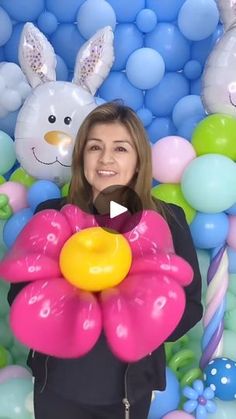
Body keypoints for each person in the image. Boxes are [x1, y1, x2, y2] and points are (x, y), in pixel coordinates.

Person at [8, 102, 203, 419]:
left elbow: (191, 307)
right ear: (81, 157)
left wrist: (141, 316)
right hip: (57, 387)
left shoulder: (168, 220)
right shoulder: (52, 214)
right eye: (94, 147)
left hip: (126, 393)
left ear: (139, 160)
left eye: (121, 149)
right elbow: (19, 295)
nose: (106, 159)